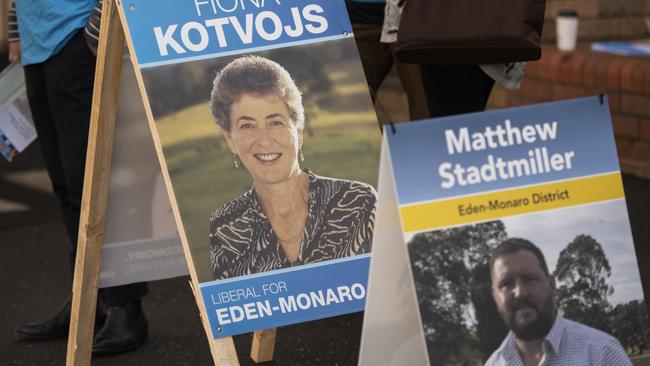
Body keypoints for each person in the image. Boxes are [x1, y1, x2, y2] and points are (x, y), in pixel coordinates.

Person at [8, 0, 147, 354]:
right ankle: (90, 300)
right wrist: (16, 31)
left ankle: (126, 306)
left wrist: (99, 30)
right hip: (36, 48)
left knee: (96, 181)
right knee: (66, 185)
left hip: (76, 40)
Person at [208, 55, 377, 279]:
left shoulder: (358, 201)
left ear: (298, 130)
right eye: (247, 125)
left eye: (275, 122)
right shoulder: (224, 225)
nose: (264, 140)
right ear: (230, 139)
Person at [486, 238, 632, 366]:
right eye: (506, 283)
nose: (520, 292)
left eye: (529, 278)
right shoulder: (493, 363)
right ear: (495, 296)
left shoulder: (602, 352)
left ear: (551, 284)